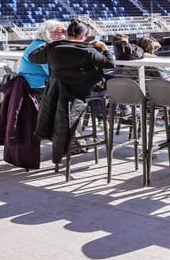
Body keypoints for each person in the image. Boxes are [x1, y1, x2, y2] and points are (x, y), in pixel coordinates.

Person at [30, 19, 114, 162]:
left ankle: (85, 129)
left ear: (67, 33)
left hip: (59, 92)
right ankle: (102, 119)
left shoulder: (53, 47)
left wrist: (53, 41)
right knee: (107, 87)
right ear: (85, 36)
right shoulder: (88, 50)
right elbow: (110, 63)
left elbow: (33, 57)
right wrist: (104, 48)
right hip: (81, 93)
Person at [18, 20, 66, 93]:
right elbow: (52, 72)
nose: (61, 35)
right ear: (46, 33)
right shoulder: (41, 47)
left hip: (32, 84)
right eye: (57, 32)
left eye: (62, 32)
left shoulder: (39, 43)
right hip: (36, 86)